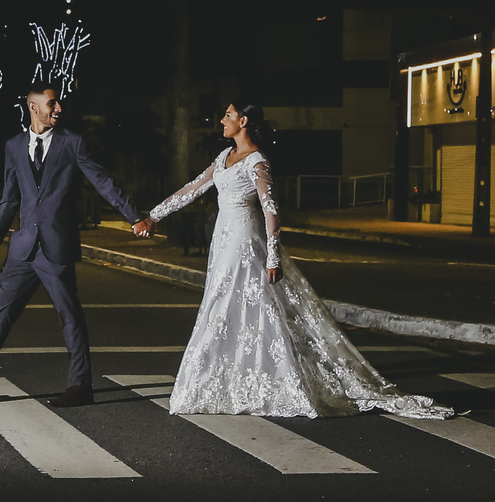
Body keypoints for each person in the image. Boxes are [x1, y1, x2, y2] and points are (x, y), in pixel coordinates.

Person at [147, 101, 453, 419]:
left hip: (244, 240)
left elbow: (271, 211)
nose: (222, 120)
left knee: (237, 306)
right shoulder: (223, 157)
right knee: (225, 305)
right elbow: (194, 187)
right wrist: (154, 216)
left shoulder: (257, 161)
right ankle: (231, 380)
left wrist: (273, 257)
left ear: (244, 121)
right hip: (222, 238)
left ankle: (259, 381)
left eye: (228, 115)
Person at [0, 83, 152, 408]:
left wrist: (134, 217)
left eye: (58, 103)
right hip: (23, 248)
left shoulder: (72, 142)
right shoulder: (13, 146)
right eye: (52, 104)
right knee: (1, 313)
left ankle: (80, 387)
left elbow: (102, 180)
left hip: (56, 246)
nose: (59, 108)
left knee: (69, 316)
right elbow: (9, 198)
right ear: (33, 107)